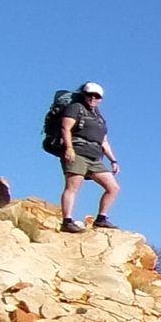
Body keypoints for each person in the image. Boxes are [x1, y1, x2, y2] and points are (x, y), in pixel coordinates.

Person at [56, 81, 121, 233]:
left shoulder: (99, 117)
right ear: (83, 94)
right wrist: (69, 148)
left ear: (101, 99)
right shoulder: (75, 108)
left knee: (113, 188)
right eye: (90, 95)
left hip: (94, 158)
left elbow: (104, 141)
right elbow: (65, 128)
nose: (93, 98)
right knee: (73, 187)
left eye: (97, 96)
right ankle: (67, 221)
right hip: (77, 152)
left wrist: (113, 160)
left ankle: (101, 219)